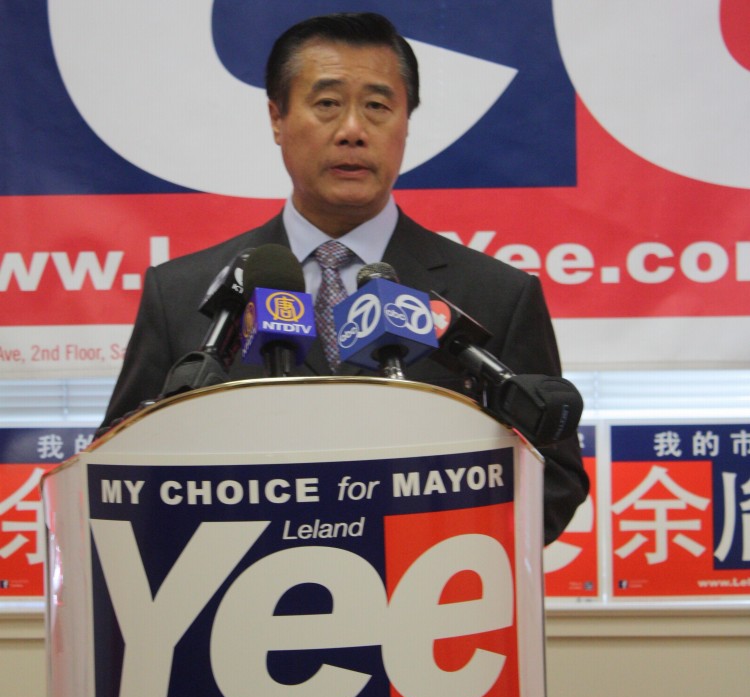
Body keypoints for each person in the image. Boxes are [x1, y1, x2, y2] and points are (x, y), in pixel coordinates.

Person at [101, 12, 588, 544]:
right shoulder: (181, 294)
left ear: (406, 123)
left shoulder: (498, 295)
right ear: (277, 119)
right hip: (243, 610)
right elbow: (117, 477)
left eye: (378, 107)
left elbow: (555, 479)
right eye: (327, 104)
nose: (353, 131)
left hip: (422, 601)